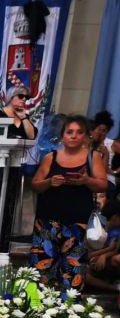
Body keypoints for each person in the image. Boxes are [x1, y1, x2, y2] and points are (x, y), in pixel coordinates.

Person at [30, 114, 108, 292]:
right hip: (47, 223)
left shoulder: (93, 157)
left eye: (79, 132)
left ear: (87, 136)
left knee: (73, 272)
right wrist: (50, 182)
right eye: (69, 132)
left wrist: (86, 181)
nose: (73, 136)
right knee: (41, 271)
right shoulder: (51, 156)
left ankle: (68, 313)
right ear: (63, 135)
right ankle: (36, 312)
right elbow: (35, 185)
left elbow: (103, 184)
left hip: (77, 223)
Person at [89, 110, 119, 199]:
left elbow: (103, 170)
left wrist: (115, 171)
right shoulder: (88, 142)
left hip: (107, 180)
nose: (101, 133)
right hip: (91, 179)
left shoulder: (112, 144)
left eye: (104, 131)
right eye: (99, 129)